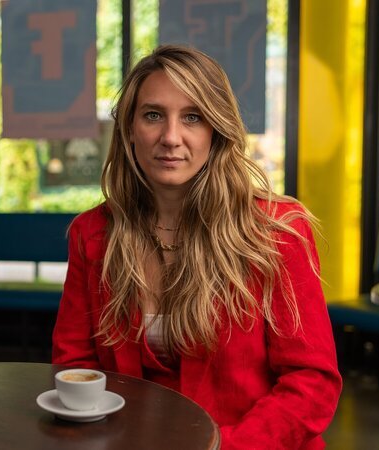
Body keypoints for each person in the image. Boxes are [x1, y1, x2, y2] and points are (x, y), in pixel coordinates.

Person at [52, 45, 341, 449]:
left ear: (216, 129)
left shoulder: (276, 232)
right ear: (130, 129)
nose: (171, 137)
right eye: (153, 115)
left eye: (193, 117)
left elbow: (311, 382)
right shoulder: (93, 233)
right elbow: (74, 363)